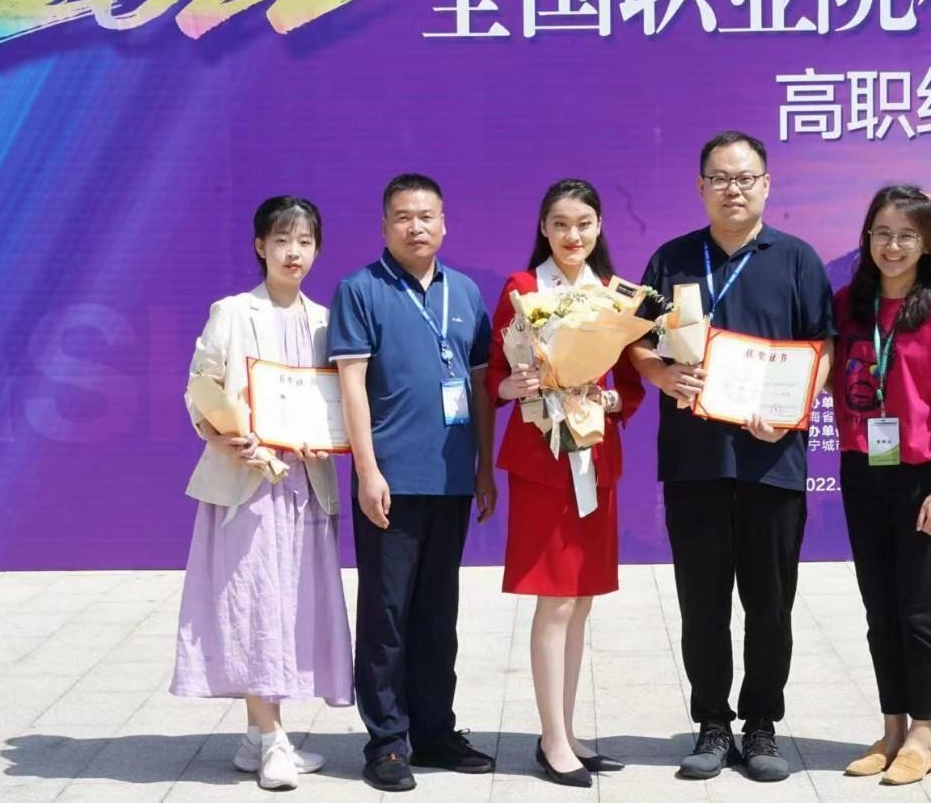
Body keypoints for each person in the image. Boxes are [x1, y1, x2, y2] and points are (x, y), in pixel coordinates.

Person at [628, 131, 835, 783]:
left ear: (767, 185)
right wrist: (660, 375)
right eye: (720, 178)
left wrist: (793, 407)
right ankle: (713, 724)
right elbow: (635, 341)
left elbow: (824, 349)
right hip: (695, 461)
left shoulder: (797, 259)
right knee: (703, 602)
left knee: (770, 603)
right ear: (701, 187)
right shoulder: (671, 259)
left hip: (773, 461)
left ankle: (763, 723)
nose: (733, 189)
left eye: (745, 178)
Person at [171, 196, 353, 792]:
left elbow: (337, 400)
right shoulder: (232, 312)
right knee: (253, 603)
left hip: (305, 484)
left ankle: (257, 736)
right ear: (260, 246)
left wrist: (328, 438)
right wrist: (223, 436)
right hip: (247, 484)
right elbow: (200, 387)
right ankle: (273, 740)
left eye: (304, 241)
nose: (293, 252)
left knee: (291, 605)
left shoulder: (326, 320)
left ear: (317, 249)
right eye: (281, 240)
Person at [329, 174, 499, 793]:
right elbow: (351, 387)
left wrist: (484, 467)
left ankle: (433, 732)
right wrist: (367, 470)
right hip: (391, 481)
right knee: (387, 614)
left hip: (451, 479)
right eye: (403, 216)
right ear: (385, 226)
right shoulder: (360, 290)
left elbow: (479, 387)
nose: (416, 226)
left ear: (444, 224)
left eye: (427, 215)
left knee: (437, 613)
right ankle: (387, 742)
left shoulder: (466, 291)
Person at [486, 179, 646, 788]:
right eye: (559, 224)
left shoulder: (616, 295)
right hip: (543, 459)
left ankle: (568, 731)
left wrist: (606, 399)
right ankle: (551, 739)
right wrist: (514, 386)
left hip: (594, 456)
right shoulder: (523, 290)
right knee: (554, 599)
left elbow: (629, 382)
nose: (571, 235)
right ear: (543, 229)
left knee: (580, 601)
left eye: (582, 223)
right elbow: (495, 375)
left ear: (599, 226)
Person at [830, 185, 931, 786]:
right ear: (867, 237)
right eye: (883, 233)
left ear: (928, 244)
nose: (893, 247)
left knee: (918, 607)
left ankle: (921, 734)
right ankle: (890, 727)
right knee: (878, 606)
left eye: (907, 236)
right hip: (861, 467)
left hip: (919, 475)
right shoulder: (848, 304)